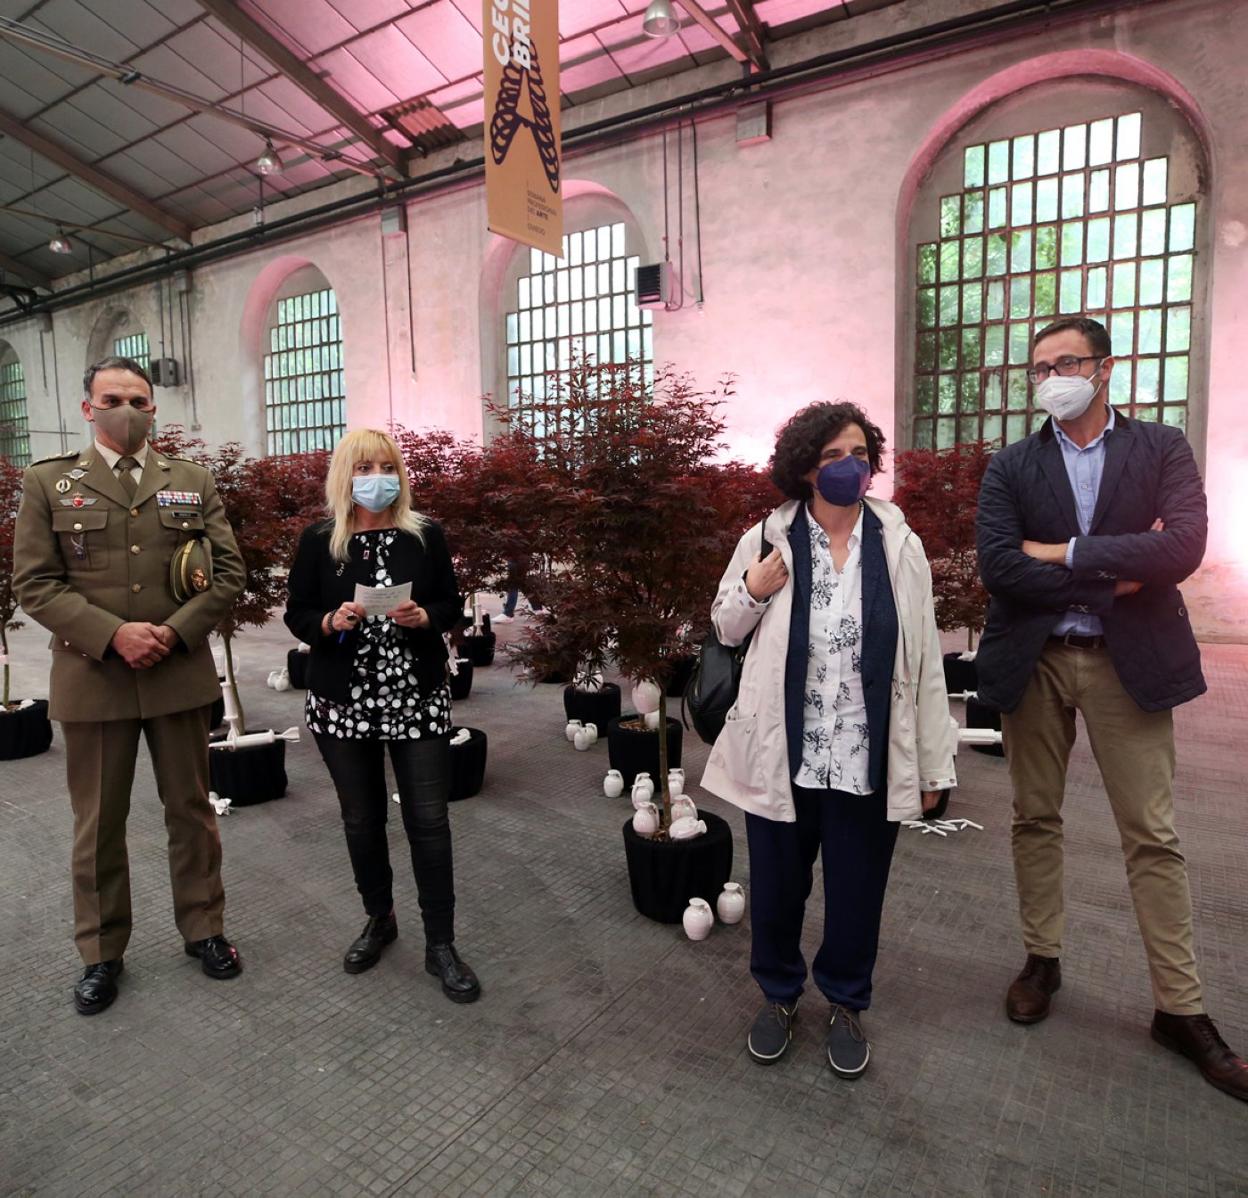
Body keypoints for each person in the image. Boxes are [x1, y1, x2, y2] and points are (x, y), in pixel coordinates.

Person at [975, 315, 1247, 1102]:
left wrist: (1061, 554)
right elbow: (999, 568)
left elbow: (1182, 549)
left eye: (1065, 362)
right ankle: (1042, 959)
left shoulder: (1160, 449)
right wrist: (1120, 570)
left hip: (1129, 667)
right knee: (1034, 818)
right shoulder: (1012, 466)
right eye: (1037, 368)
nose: (1050, 377)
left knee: (1152, 837)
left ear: (1103, 369)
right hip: (1037, 661)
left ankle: (1181, 1008)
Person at [701, 401, 955, 1077]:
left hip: (864, 759)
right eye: (834, 456)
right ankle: (779, 995)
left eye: (860, 452)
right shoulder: (767, 537)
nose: (851, 466)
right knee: (779, 890)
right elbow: (724, 627)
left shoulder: (899, 545)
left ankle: (846, 1001)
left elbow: (925, 660)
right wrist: (753, 590)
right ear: (806, 468)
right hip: (785, 754)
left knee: (857, 891)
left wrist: (936, 764)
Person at [13, 356, 246, 1016]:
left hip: (176, 673)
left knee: (192, 813)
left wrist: (171, 632)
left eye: (139, 400)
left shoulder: (191, 481)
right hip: (94, 678)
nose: (128, 410)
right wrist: (113, 634)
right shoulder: (50, 483)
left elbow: (228, 573)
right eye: (113, 399)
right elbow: (34, 582)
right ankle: (101, 951)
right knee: (97, 825)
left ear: (154, 410)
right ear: (87, 409)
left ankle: (204, 929)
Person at [284, 428, 480, 1003]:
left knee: (429, 821)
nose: (377, 476)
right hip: (343, 703)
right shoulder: (321, 539)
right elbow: (297, 611)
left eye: (385, 465)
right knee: (362, 821)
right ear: (345, 475)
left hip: (415, 695)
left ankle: (440, 942)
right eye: (364, 466)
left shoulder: (425, 535)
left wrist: (426, 616)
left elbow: (450, 599)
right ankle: (379, 918)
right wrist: (327, 622)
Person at [492, 557, 545, 624]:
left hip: (517, 555)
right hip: (518, 555)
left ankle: (508, 614)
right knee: (521, 583)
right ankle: (538, 609)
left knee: (514, 583)